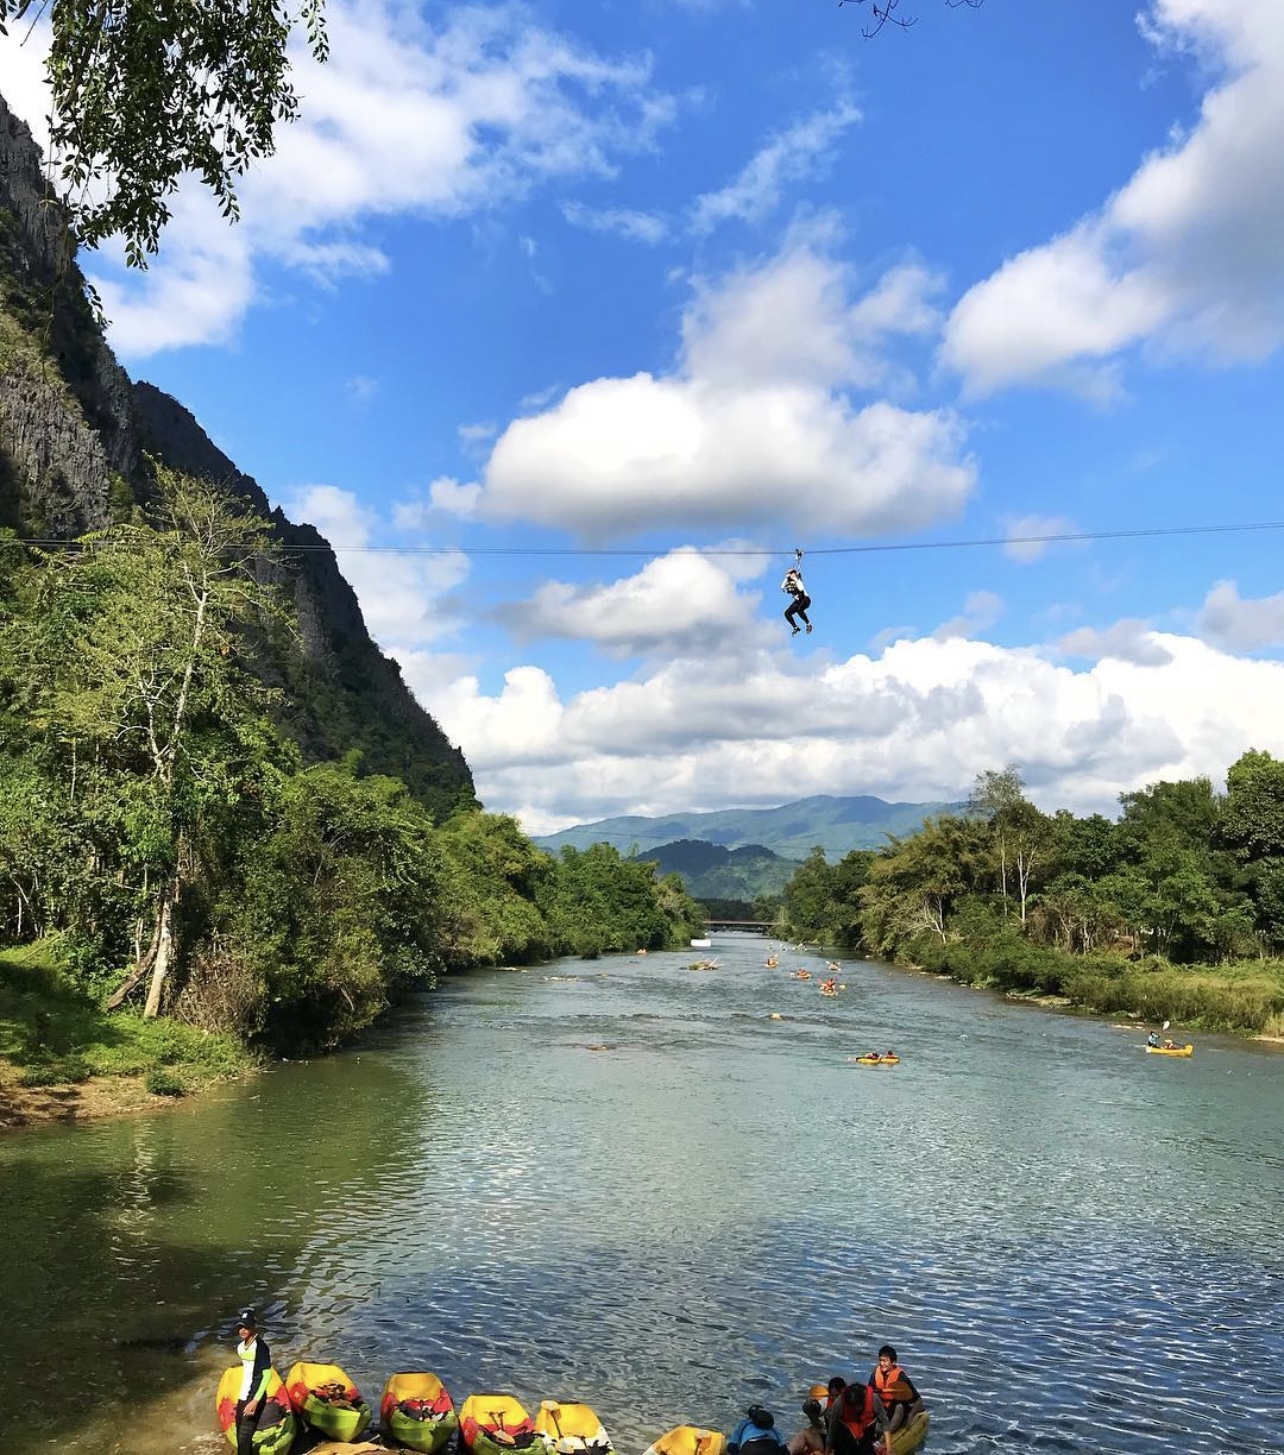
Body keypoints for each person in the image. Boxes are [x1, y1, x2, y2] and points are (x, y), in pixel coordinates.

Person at [233, 1307, 272, 1455]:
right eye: (240, 1327)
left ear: (253, 1326)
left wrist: (255, 1401)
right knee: (239, 1433)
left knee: (244, 1436)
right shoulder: (240, 1347)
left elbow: (267, 1374)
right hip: (243, 1394)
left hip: (256, 1395)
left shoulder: (260, 1347)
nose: (242, 1330)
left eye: (246, 1327)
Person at [867, 1346, 923, 1438]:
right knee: (872, 1396)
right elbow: (869, 1394)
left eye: (885, 1361)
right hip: (883, 1409)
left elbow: (918, 1400)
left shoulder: (901, 1377)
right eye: (880, 1360)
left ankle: (886, 1436)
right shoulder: (875, 1373)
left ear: (893, 1362)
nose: (882, 1364)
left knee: (899, 1406)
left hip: (895, 1410)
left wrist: (910, 1416)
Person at [825, 1378, 890, 1455]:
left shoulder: (874, 1399)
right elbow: (832, 1431)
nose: (856, 1410)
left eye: (857, 1406)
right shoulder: (839, 1404)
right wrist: (827, 1452)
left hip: (866, 1439)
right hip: (845, 1442)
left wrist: (889, 1448)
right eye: (852, 1407)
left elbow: (885, 1422)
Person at [787, 1379, 846, 1455]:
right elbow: (819, 1426)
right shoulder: (828, 1405)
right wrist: (810, 1413)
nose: (835, 1400)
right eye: (832, 1396)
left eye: (837, 1396)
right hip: (829, 1443)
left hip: (842, 1447)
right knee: (805, 1432)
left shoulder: (849, 1409)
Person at [782, 567, 813, 635]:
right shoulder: (789, 583)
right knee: (787, 613)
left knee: (799, 610)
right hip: (797, 602)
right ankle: (795, 627)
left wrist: (795, 578)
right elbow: (782, 587)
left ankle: (809, 624)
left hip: (805, 599)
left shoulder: (798, 581)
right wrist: (786, 578)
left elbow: (801, 588)